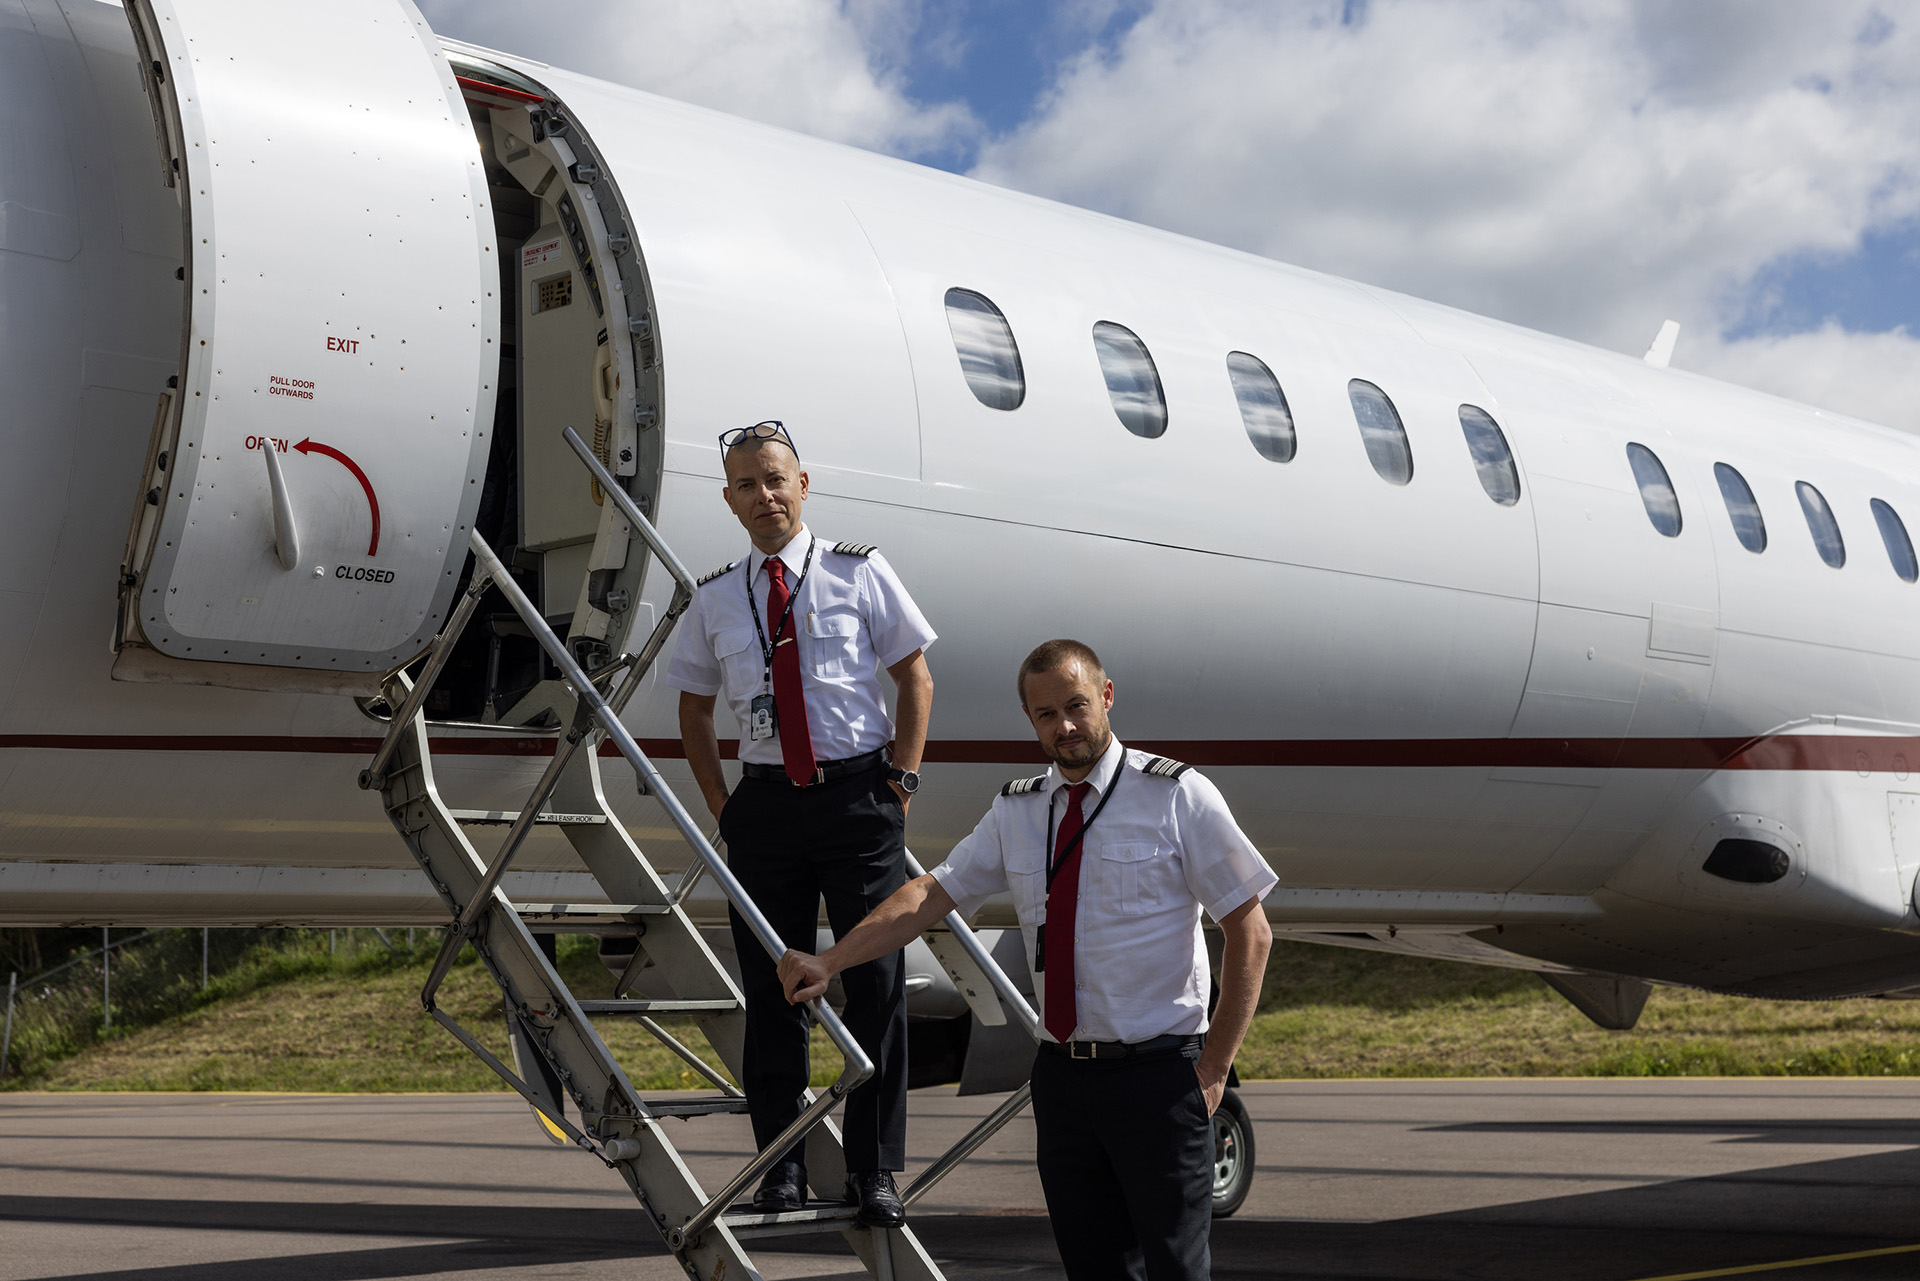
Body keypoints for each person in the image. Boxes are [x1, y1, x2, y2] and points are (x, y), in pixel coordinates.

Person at [779, 639, 1274, 1280]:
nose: (1064, 727)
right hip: (1064, 1081)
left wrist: (1213, 1070)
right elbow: (929, 894)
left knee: (1177, 1269)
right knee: (1092, 1269)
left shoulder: (1176, 796)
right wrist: (834, 960)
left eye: (1076, 706)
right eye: (1046, 715)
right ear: (1030, 720)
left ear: (1107, 697)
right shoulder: (1018, 810)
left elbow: (1251, 931)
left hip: (1159, 1078)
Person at [665, 420, 934, 1228]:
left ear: (803, 484)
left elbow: (915, 676)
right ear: (729, 500)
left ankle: (874, 1170)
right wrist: (724, 806)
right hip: (766, 808)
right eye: (747, 485)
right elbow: (693, 706)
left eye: (776, 479)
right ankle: (779, 1166)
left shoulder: (859, 572)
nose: (765, 495)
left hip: (859, 801)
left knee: (878, 985)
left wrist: (902, 784)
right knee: (772, 988)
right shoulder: (715, 596)